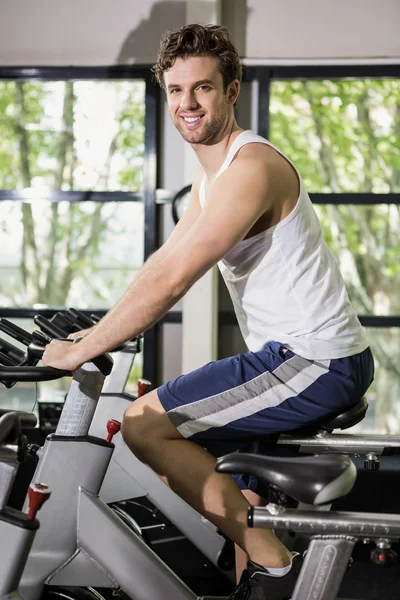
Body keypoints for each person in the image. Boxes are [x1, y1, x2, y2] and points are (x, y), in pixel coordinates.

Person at [42, 23, 375, 600]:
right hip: (300, 358)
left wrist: (81, 351)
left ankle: (279, 569)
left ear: (231, 90)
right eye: (175, 90)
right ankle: (262, 575)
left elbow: (176, 279)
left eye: (202, 88)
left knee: (144, 424)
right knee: (239, 493)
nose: (187, 103)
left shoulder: (251, 168)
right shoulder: (210, 180)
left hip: (314, 361)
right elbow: (161, 262)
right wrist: (95, 331)